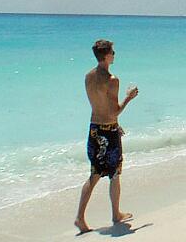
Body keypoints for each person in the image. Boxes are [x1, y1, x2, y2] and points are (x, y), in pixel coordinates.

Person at [75, 40, 139, 234]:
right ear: (106, 56)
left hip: (94, 129)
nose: (115, 54)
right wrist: (129, 97)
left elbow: (99, 107)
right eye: (112, 52)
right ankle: (115, 214)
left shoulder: (88, 77)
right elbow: (114, 112)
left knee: (94, 174)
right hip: (108, 132)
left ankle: (80, 217)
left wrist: (114, 125)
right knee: (115, 174)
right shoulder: (112, 80)